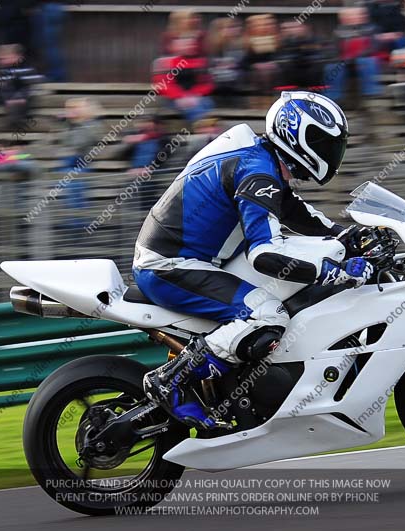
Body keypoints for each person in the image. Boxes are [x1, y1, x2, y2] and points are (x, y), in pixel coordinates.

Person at [134, 92, 372, 429]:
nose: (332, 152)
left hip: (192, 259)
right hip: (169, 266)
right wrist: (328, 271)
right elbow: (264, 254)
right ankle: (171, 380)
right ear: (297, 135)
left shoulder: (261, 161)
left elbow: (296, 213)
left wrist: (348, 236)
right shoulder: (257, 172)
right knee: (267, 314)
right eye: (323, 142)